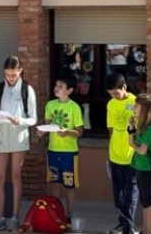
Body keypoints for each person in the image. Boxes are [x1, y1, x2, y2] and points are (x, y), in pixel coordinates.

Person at [0, 56, 38, 232]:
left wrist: (21, 122)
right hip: (1, 137)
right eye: (7, 74)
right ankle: (0, 217)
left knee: (16, 177)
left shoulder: (27, 90)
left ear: (20, 71)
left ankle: (15, 218)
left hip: (19, 137)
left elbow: (33, 118)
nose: (10, 78)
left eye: (13, 74)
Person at [42, 76, 84, 223]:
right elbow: (47, 124)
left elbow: (79, 131)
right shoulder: (50, 105)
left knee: (69, 184)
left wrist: (67, 132)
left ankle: (70, 214)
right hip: (53, 150)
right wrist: (42, 131)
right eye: (56, 84)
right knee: (55, 184)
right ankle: (55, 213)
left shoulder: (74, 107)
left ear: (69, 90)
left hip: (69, 152)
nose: (57, 87)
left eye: (61, 85)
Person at [106, 72, 138, 234]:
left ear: (124, 86)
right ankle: (123, 222)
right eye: (111, 94)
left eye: (116, 93)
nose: (114, 97)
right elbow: (111, 129)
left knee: (131, 191)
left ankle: (129, 225)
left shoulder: (136, 102)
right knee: (118, 193)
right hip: (115, 155)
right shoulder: (111, 104)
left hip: (132, 154)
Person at [128, 94, 151, 234]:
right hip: (138, 165)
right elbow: (132, 141)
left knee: (148, 199)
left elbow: (142, 150)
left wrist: (132, 144)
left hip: (146, 167)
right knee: (144, 199)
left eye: (137, 106)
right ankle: (145, 229)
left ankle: (149, 230)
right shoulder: (141, 126)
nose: (134, 109)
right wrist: (131, 128)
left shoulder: (150, 129)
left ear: (145, 110)